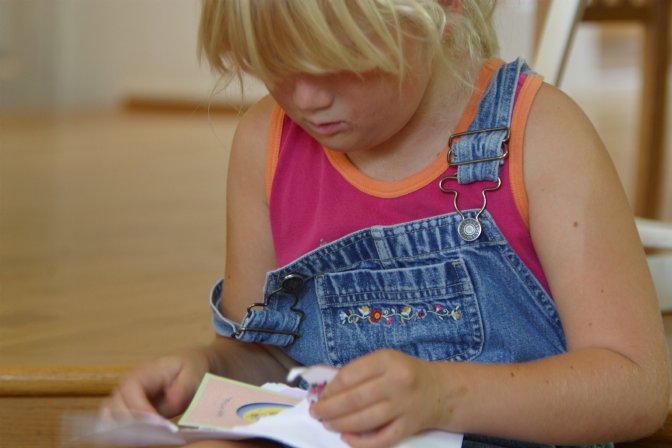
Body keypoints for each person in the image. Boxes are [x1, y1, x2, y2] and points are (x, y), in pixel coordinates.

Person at [103, 1, 671, 447]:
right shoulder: (266, 144)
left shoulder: (540, 135)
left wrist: (442, 397)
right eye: (277, 64)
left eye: (342, 59)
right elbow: (271, 358)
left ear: (442, 7)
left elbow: (637, 386)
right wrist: (205, 366)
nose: (307, 98)